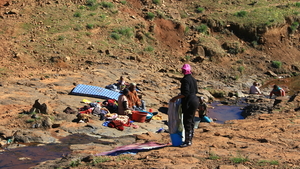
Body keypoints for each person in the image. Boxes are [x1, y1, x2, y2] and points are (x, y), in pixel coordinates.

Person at [170, 64, 199, 147]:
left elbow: (185, 93)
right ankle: (190, 138)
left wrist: (175, 98)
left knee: (187, 121)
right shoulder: (193, 79)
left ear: (183, 71)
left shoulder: (185, 80)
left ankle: (187, 141)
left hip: (189, 102)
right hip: (195, 100)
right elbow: (195, 91)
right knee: (191, 120)